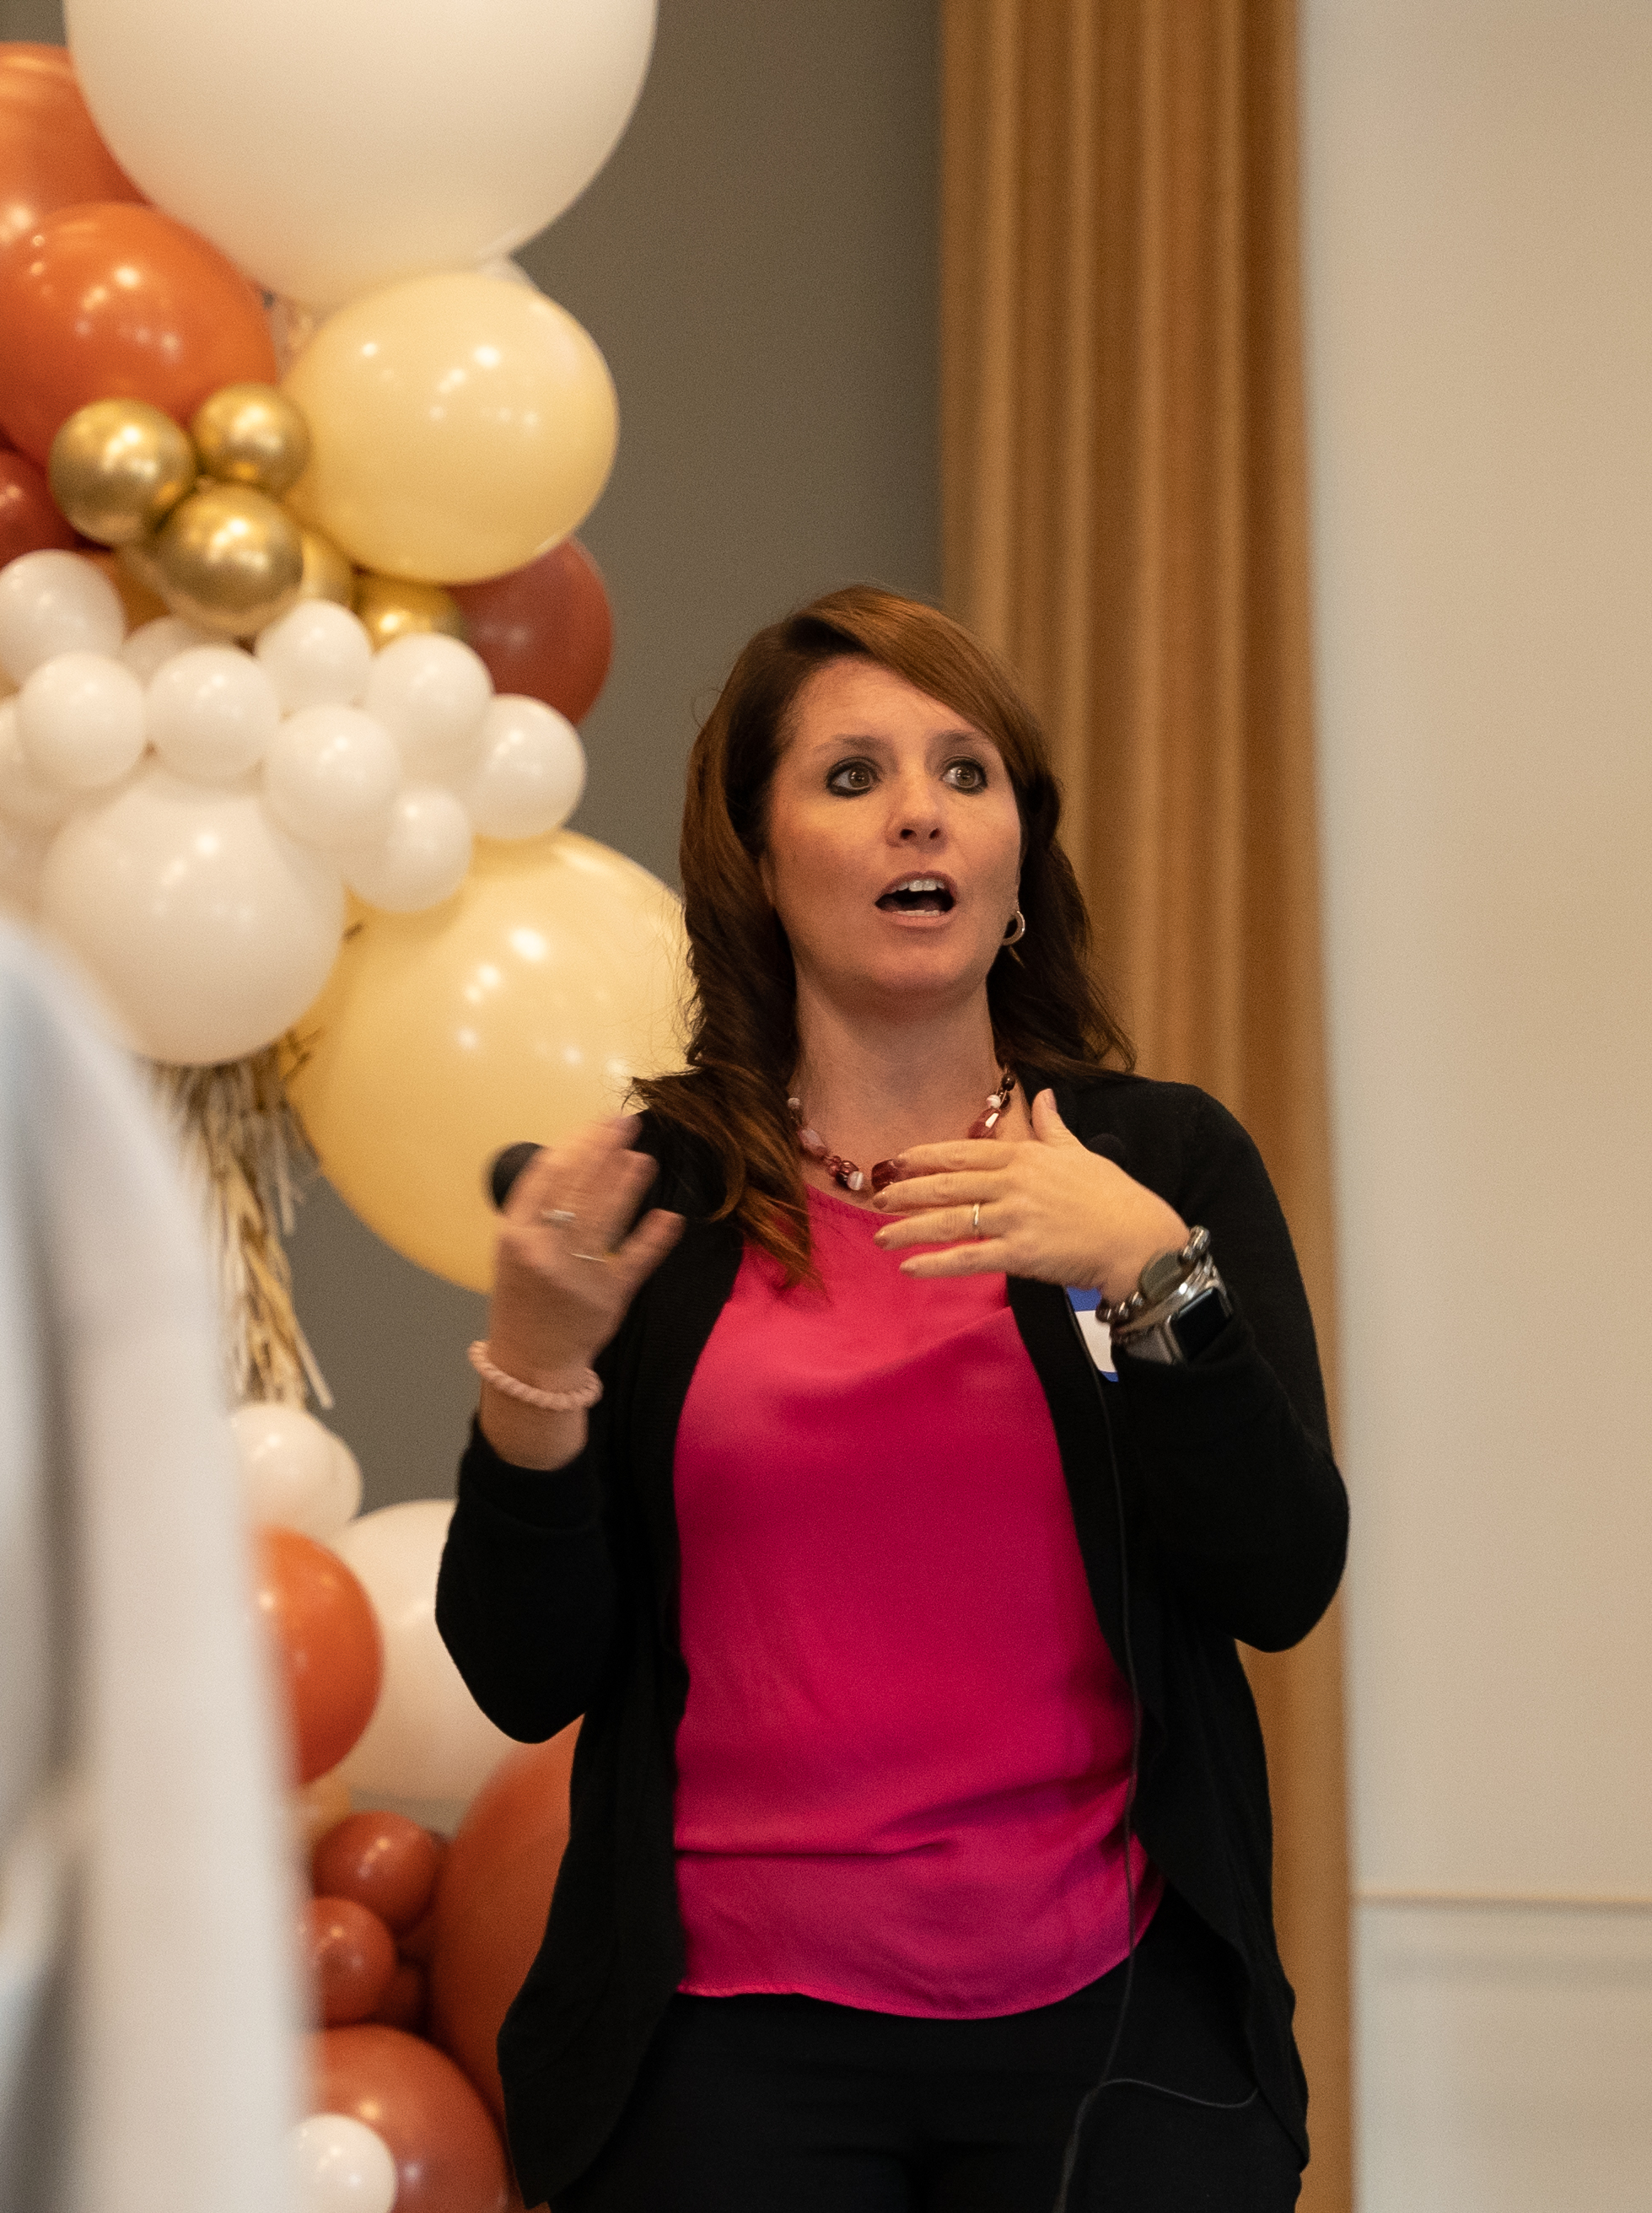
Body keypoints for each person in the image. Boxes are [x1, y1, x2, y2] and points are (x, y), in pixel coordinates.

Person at [438, 585, 1345, 2211]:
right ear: (762, 864)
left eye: (965, 773)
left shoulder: (1156, 1166)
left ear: (1011, 875)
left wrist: (1154, 1284)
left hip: (1116, 2031)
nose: (919, 808)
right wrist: (539, 1366)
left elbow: (1282, 1578)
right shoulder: (661, 1190)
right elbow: (524, 1675)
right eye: (851, 777)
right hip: (718, 2047)